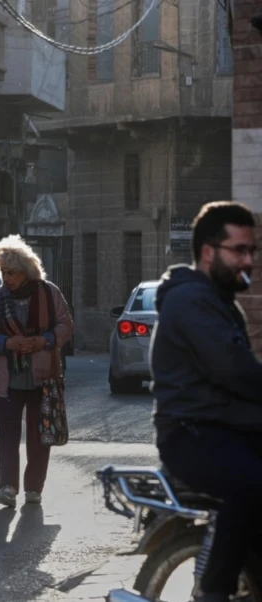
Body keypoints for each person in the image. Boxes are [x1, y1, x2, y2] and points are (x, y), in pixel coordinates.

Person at [150, 201, 262, 602]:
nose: (248, 261)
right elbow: (234, 370)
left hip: (222, 429)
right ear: (208, 252)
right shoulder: (192, 300)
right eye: (239, 250)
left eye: (252, 251)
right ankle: (213, 591)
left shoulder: (217, 300)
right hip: (194, 437)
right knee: (254, 485)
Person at [0, 235, 73, 509]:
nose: (7, 278)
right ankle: (7, 487)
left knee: (39, 435)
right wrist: (6, 343)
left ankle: (33, 488)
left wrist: (44, 340)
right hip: (7, 378)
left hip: (43, 376)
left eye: (12, 273)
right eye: (3, 272)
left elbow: (66, 325)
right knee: (7, 433)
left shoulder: (49, 293)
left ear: (26, 271)